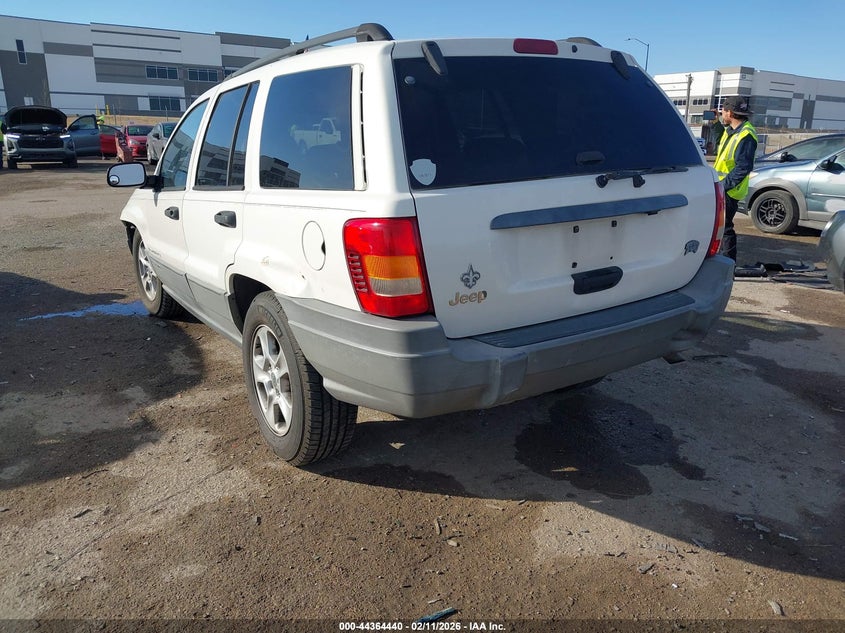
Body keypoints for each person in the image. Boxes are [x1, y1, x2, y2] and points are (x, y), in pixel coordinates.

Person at [713, 95, 758, 262]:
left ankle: (728, 263)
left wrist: (723, 186)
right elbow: (721, 145)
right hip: (724, 188)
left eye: (723, 112)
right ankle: (722, 260)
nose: (722, 115)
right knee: (720, 227)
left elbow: (743, 167)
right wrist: (715, 124)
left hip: (730, 190)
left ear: (730, 113)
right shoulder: (732, 131)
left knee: (725, 228)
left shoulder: (745, 135)